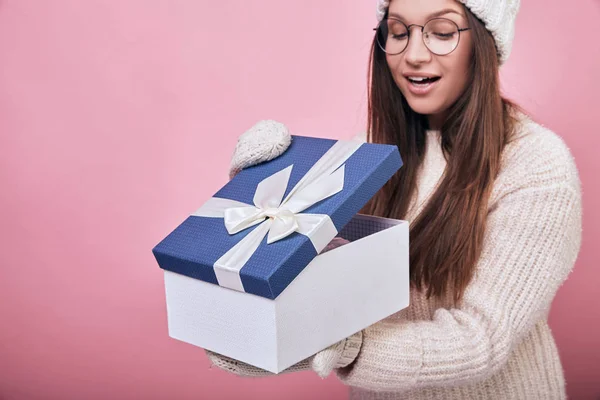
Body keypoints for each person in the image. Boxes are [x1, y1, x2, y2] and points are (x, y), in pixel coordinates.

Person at [206, 0, 583, 398]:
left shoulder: (535, 165)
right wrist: (256, 196)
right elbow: (310, 286)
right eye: (399, 33)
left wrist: (339, 345)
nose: (414, 56)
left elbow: (482, 341)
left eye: (442, 32)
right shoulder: (363, 159)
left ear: (485, 43)